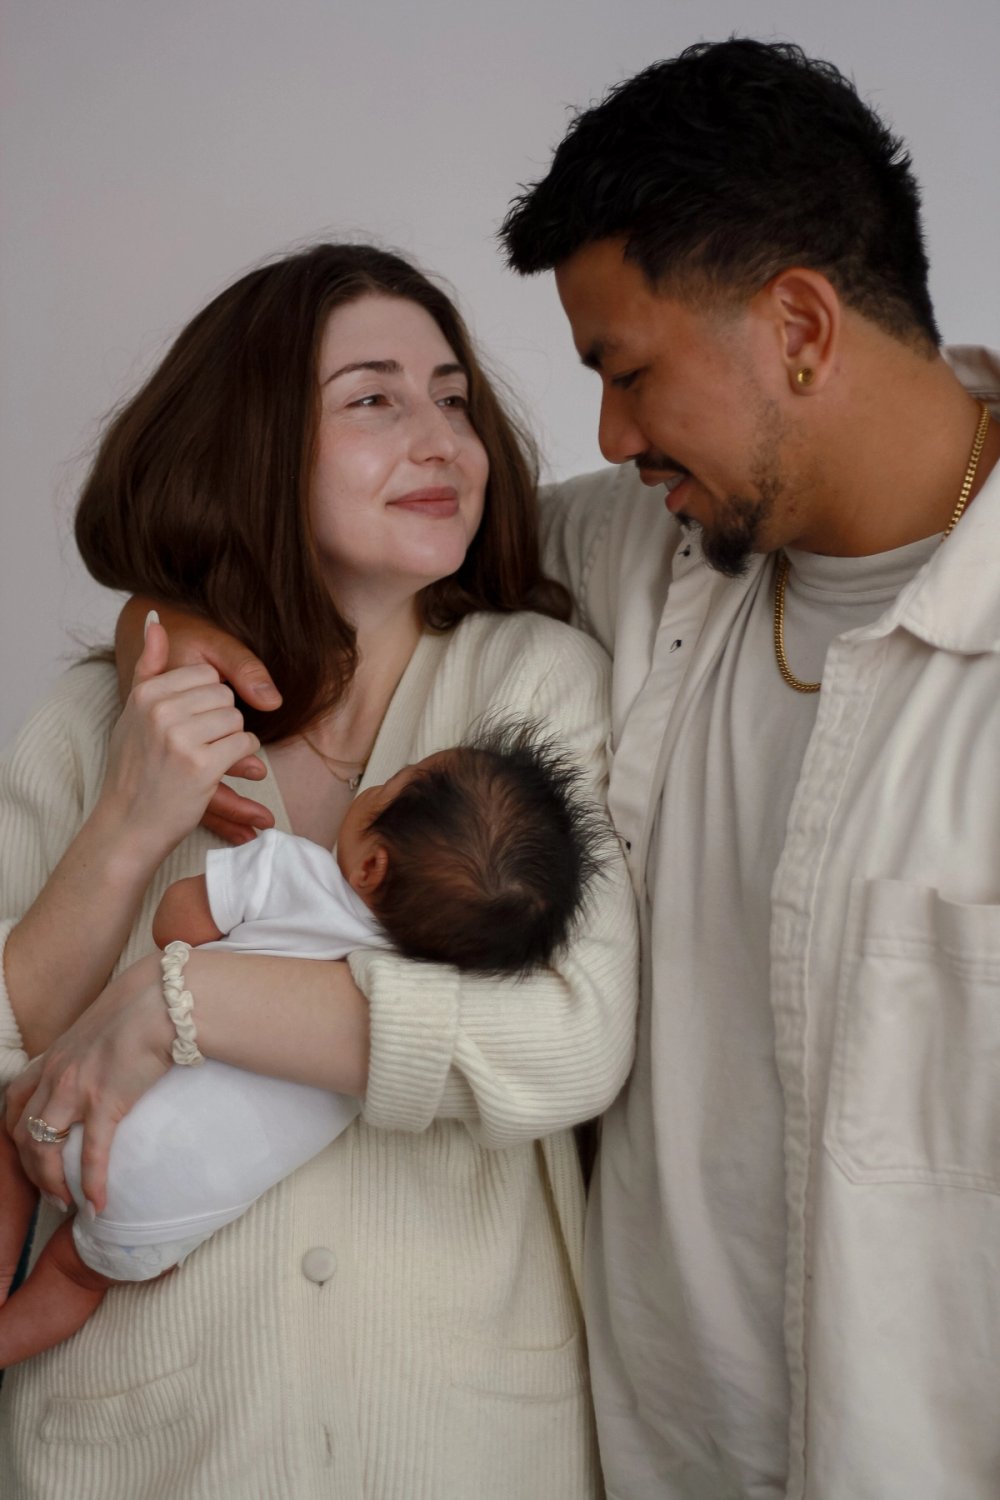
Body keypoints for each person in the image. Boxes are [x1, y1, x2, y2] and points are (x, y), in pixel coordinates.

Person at [122, 39, 1000, 1500]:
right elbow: (338, 535)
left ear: (799, 325)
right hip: (651, 1457)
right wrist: (180, 615)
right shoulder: (648, 548)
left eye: (630, 372)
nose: (605, 436)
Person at [0, 244, 638, 1498]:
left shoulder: (530, 687)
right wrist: (130, 821)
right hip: (138, 1451)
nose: (441, 439)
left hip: (465, 1445)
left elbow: (570, 1037)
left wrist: (180, 1000)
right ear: (252, 443)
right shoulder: (93, 719)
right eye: (372, 398)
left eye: (453, 397)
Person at [0, 719, 609, 1370]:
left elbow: (176, 919)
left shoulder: (291, 871)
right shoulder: (415, 995)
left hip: (86, 1125)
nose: (375, 786)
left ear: (372, 865)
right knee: (71, 1280)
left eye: (390, 788)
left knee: (13, 1140)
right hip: (167, 1222)